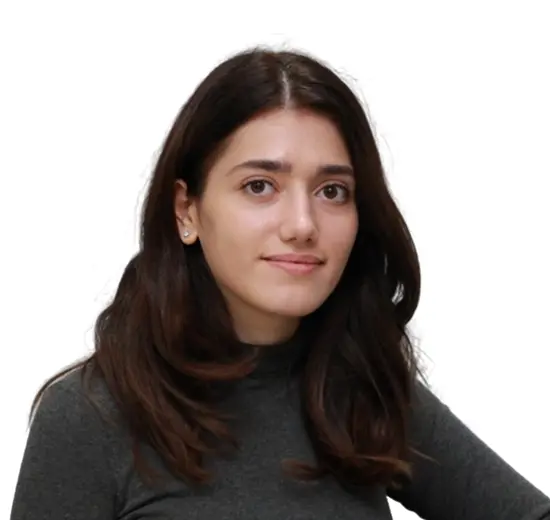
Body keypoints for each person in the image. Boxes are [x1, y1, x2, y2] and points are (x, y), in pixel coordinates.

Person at [10, 47, 550, 520]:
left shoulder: (365, 388)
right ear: (186, 210)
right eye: (260, 185)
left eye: (332, 191)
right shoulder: (90, 416)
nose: (302, 224)